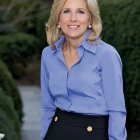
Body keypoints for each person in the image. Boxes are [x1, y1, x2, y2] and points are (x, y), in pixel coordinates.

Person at [40, 0, 127, 139]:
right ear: (57, 19)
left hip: (94, 133)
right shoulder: (48, 54)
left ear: (90, 19)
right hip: (56, 131)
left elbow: (117, 110)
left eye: (81, 12)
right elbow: (47, 106)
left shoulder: (106, 55)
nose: (73, 18)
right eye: (66, 11)